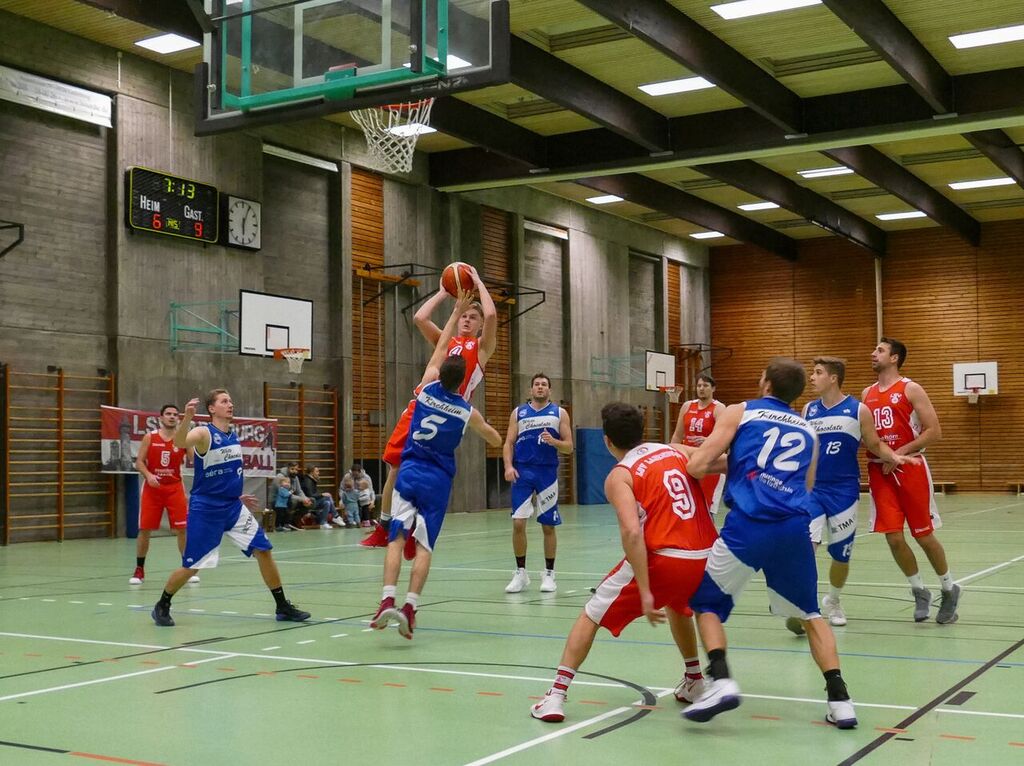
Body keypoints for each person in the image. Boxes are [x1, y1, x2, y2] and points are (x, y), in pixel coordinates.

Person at [683, 357, 857, 729]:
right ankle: (840, 699)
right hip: (794, 527)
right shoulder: (809, 430)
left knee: (705, 604)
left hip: (748, 525)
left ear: (765, 385)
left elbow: (697, 465)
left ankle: (722, 679)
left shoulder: (740, 411)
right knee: (810, 615)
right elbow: (806, 486)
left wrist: (725, 464)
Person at [530, 403, 719, 723]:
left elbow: (632, 533)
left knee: (591, 613)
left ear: (607, 441)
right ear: (643, 431)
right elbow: (718, 460)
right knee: (677, 604)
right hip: (706, 555)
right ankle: (695, 681)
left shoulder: (621, 474)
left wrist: (645, 590)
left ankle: (555, 695)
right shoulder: (671, 449)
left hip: (666, 556)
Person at [369, 298, 502, 639]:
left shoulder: (426, 388)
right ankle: (410, 607)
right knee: (425, 548)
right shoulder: (466, 411)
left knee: (396, 541)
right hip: (438, 481)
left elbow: (441, 347)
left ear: (439, 370)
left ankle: (387, 600)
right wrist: (497, 437)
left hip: (411, 471)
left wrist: (456, 307)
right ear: (463, 383)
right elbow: (495, 441)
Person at [361, 266, 497, 549]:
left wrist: (479, 281)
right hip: (424, 406)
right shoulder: (446, 341)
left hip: (451, 414)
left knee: (428, 473)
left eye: (473, 317)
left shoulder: (481, 348)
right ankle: (386, 526)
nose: (467, 321)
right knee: (396, 467)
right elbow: (420, 317)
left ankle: (409, 528)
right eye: (465, 316)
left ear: (480, 325)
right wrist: (444, 293)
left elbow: (493, 314)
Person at [150, 388, 310, 627]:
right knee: (193, 565)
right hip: (207, 509)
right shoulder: (204, 433)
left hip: (233, 506)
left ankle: (282, 606)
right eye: (224, 401)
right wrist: (188, 417)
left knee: (263, 550)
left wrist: (236, 494)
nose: (230, 404)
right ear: (212, 408)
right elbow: (179, 442)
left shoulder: (232, 436)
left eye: (231, 401)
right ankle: (162, 604)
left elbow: (227, 471)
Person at [790, 357, 913, 631]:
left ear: (833, 378)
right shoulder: (808, 410)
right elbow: (802, 448)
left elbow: (874, 443)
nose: (812, 377)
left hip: (844, 490)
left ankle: (832, 600)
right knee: (806, 546)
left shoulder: (858, 410)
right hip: (812, 489)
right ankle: (804, 606)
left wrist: (897, 456)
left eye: (818, 373)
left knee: (840, 554)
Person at [863, 338, 959, 624]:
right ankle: (919, 590)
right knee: (893, 537)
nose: (873, 353)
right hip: (880, 471)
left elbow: (934, 431)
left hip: (910, 467)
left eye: (879, 350)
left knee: (923, 535)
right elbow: (868, 435)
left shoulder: (910, 388)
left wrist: (900, 452)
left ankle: (949, 587)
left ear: (894, 358)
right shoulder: (866, 393)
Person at [501, 373, 574, 594]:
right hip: (522, 472)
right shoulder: (519, 413)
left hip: (546, 473)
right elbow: (509, 442)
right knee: (518, 524)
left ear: (549, 390)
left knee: (548, 525)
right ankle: (520, 573)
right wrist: (508, 466)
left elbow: (569, 447)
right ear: (531, 389)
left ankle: (549, 574)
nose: (540, 387)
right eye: (537, 384)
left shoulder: (559, 413)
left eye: (544, 385)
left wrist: (555, 442)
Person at [130, 404, 198, 585]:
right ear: (160, 417)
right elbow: (139, 462)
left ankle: (187, 566)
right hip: (153, 490)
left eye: (175, 414)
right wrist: (149, 475)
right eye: (168, 414)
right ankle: (139, 569)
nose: (172, 417)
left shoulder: (182, 439)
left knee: (182, 529)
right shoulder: (149, 437)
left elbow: (195, 460)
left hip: (174, 488)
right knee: (145, 529)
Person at [670, 373, 726, 515]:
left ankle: (709, 536)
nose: (701, 388)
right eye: (699, 385)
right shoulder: (688, 406)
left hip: (710, 463)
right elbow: (677, 434)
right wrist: (671, 455)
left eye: (705, 385)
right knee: (687, 505)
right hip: (688, 461)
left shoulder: (719, 408)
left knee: (706, 509)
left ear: (713, 389)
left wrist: (708, 441)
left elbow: (725, 438)